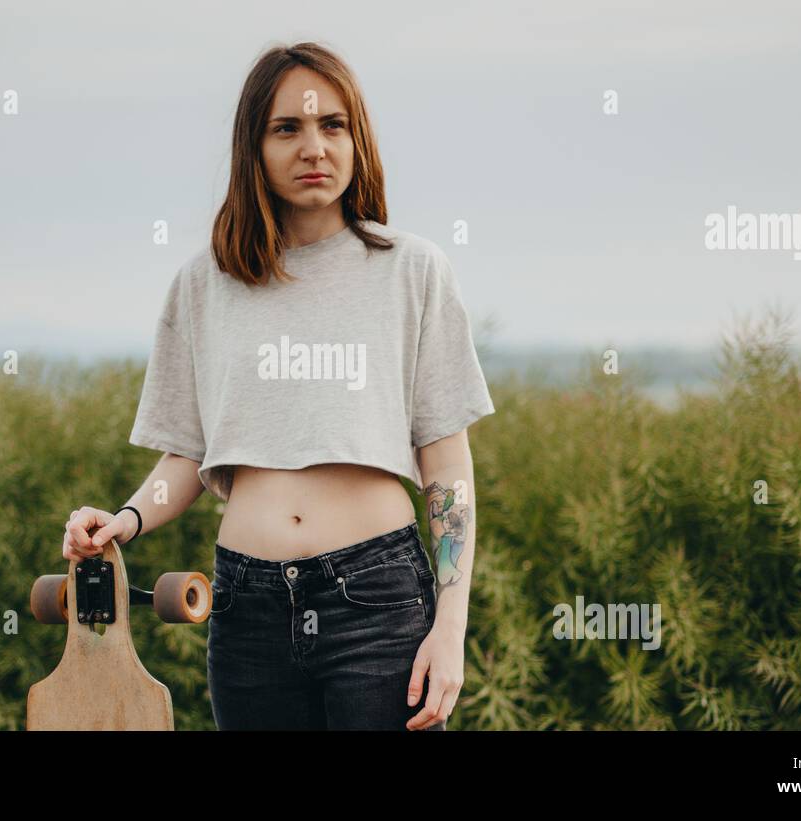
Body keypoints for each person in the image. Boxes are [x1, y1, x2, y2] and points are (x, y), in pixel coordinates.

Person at [61, 42, 495, 731]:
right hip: (247, 611)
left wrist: (451, 625)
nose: (313, 146)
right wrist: (127, 519)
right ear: (253, 147)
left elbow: (446, 467)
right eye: (287, 127)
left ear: (358, 139)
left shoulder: (413, 271)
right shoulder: (205, 285)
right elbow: (189, 456)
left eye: (333, 125)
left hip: (378, 605)